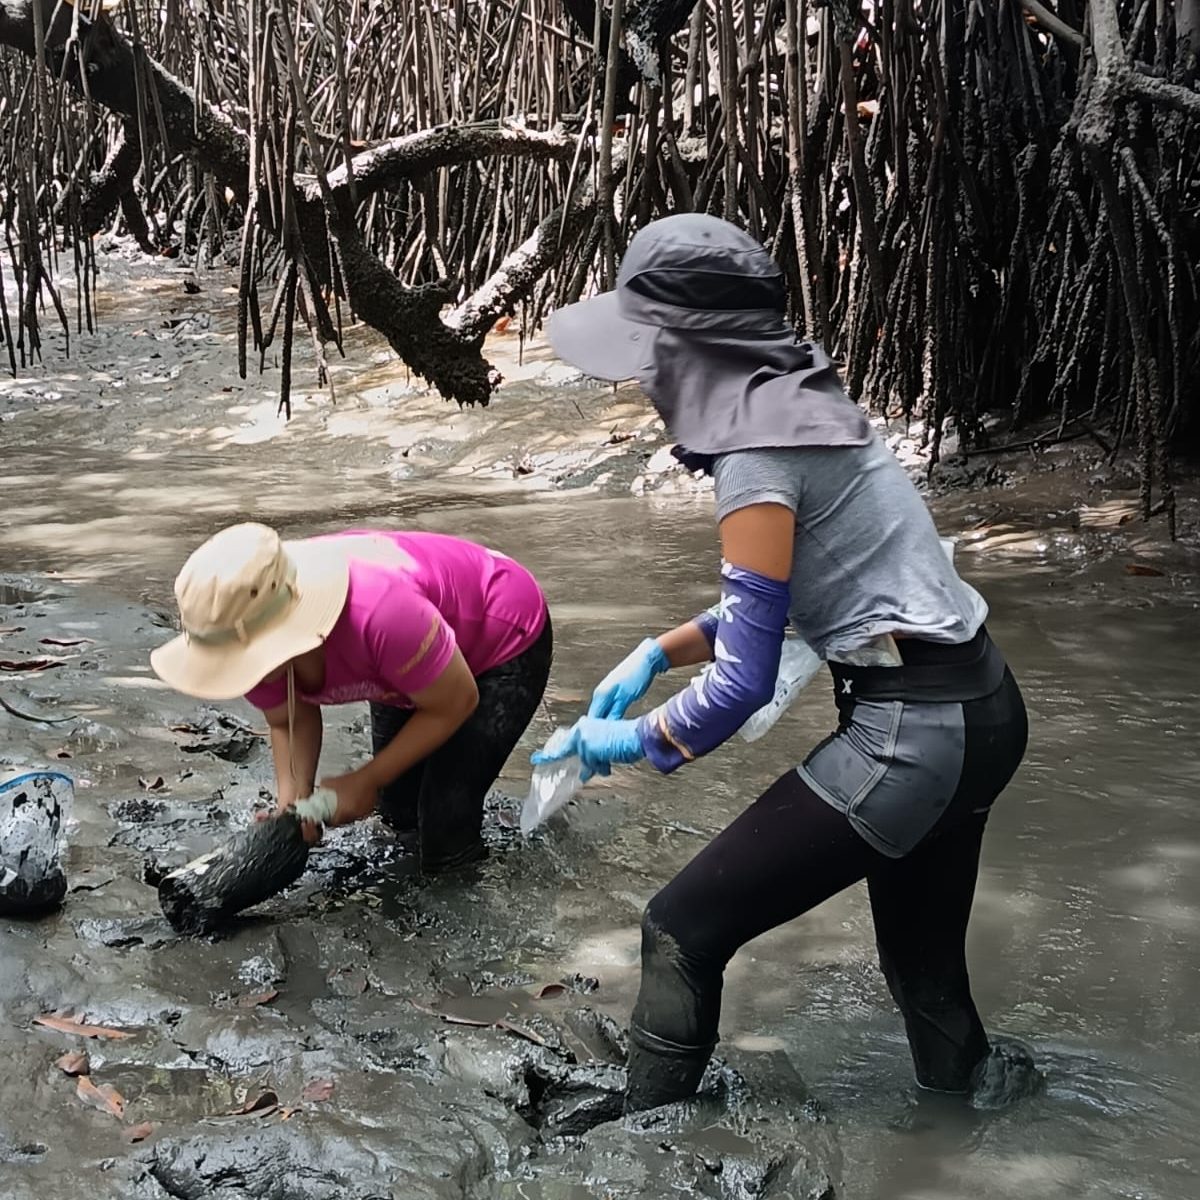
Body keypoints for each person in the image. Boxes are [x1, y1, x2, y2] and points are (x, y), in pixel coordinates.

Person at [536, 213, 1034, 1112]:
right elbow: (791, 603)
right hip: (980, 707)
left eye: (652, 355)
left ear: (698, 354)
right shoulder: (806, 402)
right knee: (923, 970)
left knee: (681, 927)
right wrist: (657, 651)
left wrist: (623, 745)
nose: (644, 380)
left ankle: (651, 1138)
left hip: (912, 732)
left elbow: (741, 685)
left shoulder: (755, 458)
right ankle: (972, 1123)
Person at [151, 523, 552, 872]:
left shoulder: (382, 614)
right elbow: (289, 718)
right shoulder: (240, 625)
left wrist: (367, 777)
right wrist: (294, 806)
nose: (238, 673)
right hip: (406, 669)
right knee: (398, 811)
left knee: (445, 813)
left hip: (502, 637)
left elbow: (457, 700)